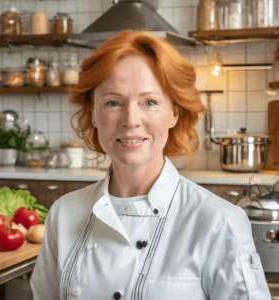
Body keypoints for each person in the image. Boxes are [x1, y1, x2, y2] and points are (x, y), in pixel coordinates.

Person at [30, 30, 271, 300]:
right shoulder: (64, 214)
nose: (131, 119)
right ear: (93, 113)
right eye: (113, 102)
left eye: (150, 102)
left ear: (174, 114)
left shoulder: (219, 221)